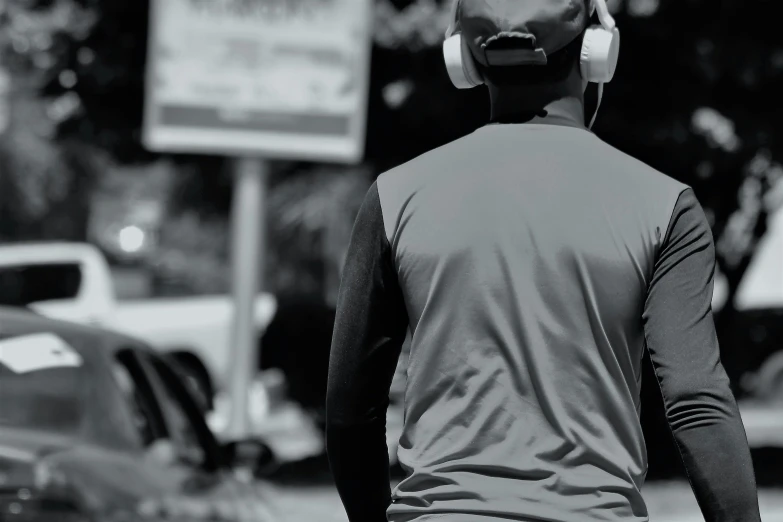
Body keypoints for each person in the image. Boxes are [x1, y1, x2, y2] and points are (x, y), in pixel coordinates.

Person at [325, 0, 762, 520]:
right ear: (598, 53)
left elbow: (351, 412)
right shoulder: (665, 206)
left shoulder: (394, 197)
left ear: (464, 57)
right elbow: (696, 402)